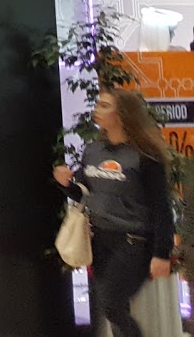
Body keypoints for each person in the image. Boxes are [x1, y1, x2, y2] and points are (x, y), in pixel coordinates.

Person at [53, 88, 175, 337]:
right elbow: (84, 193)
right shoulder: (93, 151)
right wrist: (66, 184)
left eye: (105, 105)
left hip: (132, 242)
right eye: (98, 104)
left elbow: (162, 207)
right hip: (100, 239)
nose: (97, 109)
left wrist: (161, 253)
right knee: (113, 308)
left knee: (111, 304)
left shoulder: (145, 156)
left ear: (122, 115)